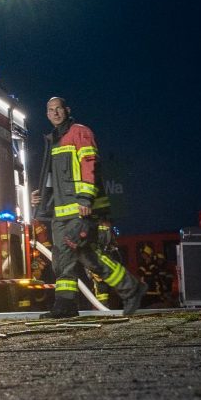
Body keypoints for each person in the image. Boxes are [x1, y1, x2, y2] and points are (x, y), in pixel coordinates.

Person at [32, 97, 147, 318]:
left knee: (66, 252)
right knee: (84, 257)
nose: (55, 113)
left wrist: (85, 198)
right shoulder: (53, 140)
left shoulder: (80, 132)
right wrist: (40, 196)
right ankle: (130, 288)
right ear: (47, 114)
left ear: (67, 110)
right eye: (50, 110)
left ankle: (65, 305)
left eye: (59, 109)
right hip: (60, 211)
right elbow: (51, 177)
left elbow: (89, 164)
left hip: (78, 209)